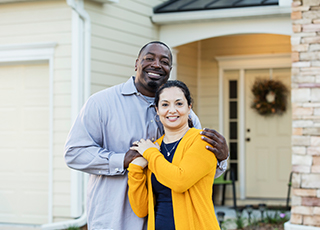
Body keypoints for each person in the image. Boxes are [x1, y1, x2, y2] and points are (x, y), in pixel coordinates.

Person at [64, 41, 228, 230]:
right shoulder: (101, 103)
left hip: (166, 220)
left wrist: (221, 158)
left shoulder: (186, 117)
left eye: (164, 61)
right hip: (115, 218)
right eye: (149, 58)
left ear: (170, 69)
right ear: (136, 64)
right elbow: (74, 153)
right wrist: (122, 160)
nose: (157, 64)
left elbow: (194, 173)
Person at [128, 80, 220, 230]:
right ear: (157, 110)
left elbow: (180, 181)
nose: (172, 110)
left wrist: (150, 154)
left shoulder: (202, 141)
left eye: (179, 104)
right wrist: (135, 169)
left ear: (189, 107)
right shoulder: (154, 147)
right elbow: (141, 209)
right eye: (165, 105)